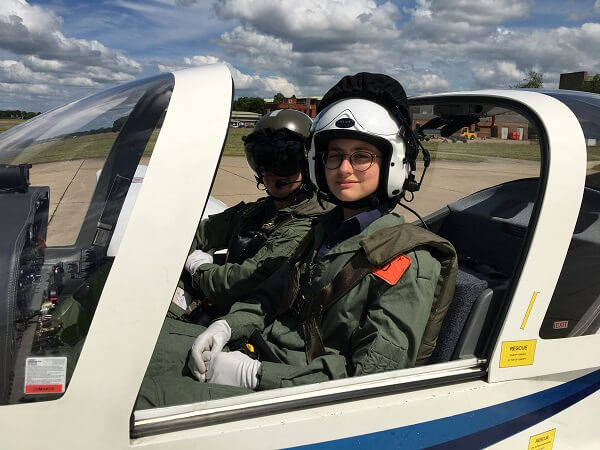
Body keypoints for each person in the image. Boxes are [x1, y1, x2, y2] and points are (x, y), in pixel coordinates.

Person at [137, 73, 457, 408]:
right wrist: (227, 326)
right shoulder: (323, 231)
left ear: (392, 162)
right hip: (258, 348)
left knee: (144, 399)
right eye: (334, 155)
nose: (344, 168)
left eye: (362, 156)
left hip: (298, 392)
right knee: (134, 350)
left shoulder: (409, 260)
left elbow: (369, 380)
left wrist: (256, 375)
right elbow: (271, 295)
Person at [171, 109, 326, 320]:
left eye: (284, 162)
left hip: (254, 325)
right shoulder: (258, 211)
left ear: (308, 163)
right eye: (262, 160)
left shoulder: (310, 222)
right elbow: (197, 234)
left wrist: (198, 268)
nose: (270, 174)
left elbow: (238, 284)